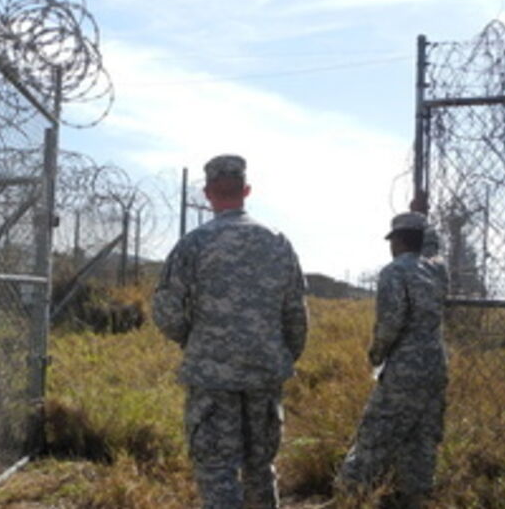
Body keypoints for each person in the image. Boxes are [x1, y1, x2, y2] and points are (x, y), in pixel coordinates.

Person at [152, 154, 309, 509]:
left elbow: (165, 309)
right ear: (246, 190)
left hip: (211, 375)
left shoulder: (194, 244)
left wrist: (194, 341)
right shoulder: (277, 242)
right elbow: (296, 313)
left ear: (208, 193)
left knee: (217, 469)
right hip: (264, 372)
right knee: (260, 467)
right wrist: (280, 353)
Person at [335, 211, 448, 508]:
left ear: (397, 241)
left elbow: (390, 322)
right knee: (422, 437)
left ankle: (351, 494)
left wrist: (377, 354)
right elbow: (434, 248)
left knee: (375, 434)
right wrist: (422, 217)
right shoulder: (436, 270)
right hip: (436, 365)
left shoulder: (394, 272)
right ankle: (415, 496)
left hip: (404, 368)